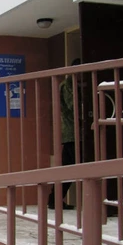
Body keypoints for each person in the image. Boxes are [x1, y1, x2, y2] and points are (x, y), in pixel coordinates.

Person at [48, 58, 81, 210]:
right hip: (74, 133)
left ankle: (54, 200)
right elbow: (73, 107)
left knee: (68, 167)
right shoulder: (69, 84)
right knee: (71, 167)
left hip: (71, 133)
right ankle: (54, 200)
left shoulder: (68, 84)